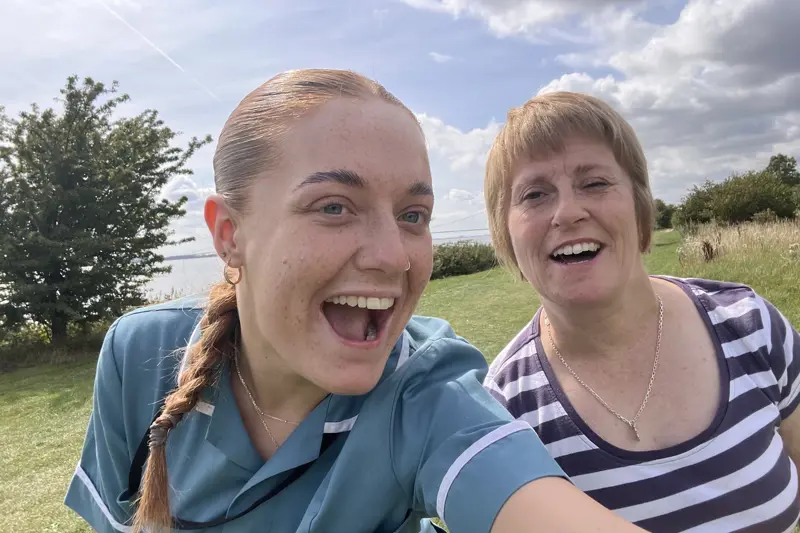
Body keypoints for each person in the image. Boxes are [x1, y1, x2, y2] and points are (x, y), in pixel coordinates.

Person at [63, 69, 646, 533]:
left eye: (413, 215)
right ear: (229, 233)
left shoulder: (423, 392)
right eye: (334, 206)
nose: (393, 256)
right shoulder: (142, 353)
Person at [481, 90, 800, 532]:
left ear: (640, 205)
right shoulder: (505, 411)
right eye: (535, 194)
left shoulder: (752, 327)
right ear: (505, 235)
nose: (568, 212)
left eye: (595, 183)